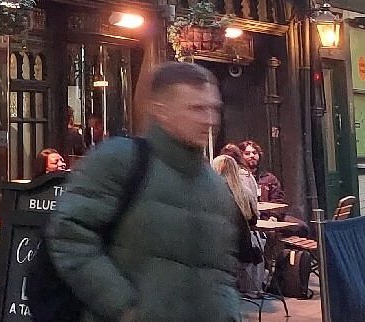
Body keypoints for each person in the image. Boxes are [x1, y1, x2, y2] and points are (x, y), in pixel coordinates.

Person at [47, 61, 241, 322]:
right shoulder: (120, 160)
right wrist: (125, 309)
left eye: (214, 109)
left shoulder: (216, 186)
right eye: (196, 108)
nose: (209, 120)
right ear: (161, 111)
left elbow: (222, 271)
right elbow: (70, 236)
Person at [211, 154, 265, 297]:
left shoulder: (210, 195)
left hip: (217, 253)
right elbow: (253, 220)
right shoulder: (245, 193)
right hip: (243, 251)